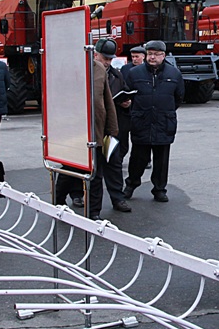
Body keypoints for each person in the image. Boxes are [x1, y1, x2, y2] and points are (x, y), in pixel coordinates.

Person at [53, 40, 120, 219]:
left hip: (96, 131)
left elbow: (107, 100)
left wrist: (112, 130)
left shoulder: (99, 69)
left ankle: (94, 213)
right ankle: (57, 203)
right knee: (69, 170)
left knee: (95, 174)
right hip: (73, 131)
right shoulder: (65, 70)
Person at [123, 40, 184, 203]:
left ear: (163, 56)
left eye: (156, 54)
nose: (152, 57)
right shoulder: (135, 73)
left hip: (164, 122)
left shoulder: (174, 74)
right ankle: (131, 184)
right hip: (141, 122)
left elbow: (178, 98)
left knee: (161, 161)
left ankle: (159, 189)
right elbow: (127, 94)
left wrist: (165, 112)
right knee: (138, 158)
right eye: (150, 54)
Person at [95, 38, 132, 213]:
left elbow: (124, 90)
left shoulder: (116, 75)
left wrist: (127, 102)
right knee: (87, 165)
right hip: (92, 128)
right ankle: (76, 195)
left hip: (110, 129)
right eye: (105, 58)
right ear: (95, 55)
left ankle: (118, 198)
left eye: (110, 59)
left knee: (113, 163)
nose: (108, 62)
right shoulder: (89, 73)